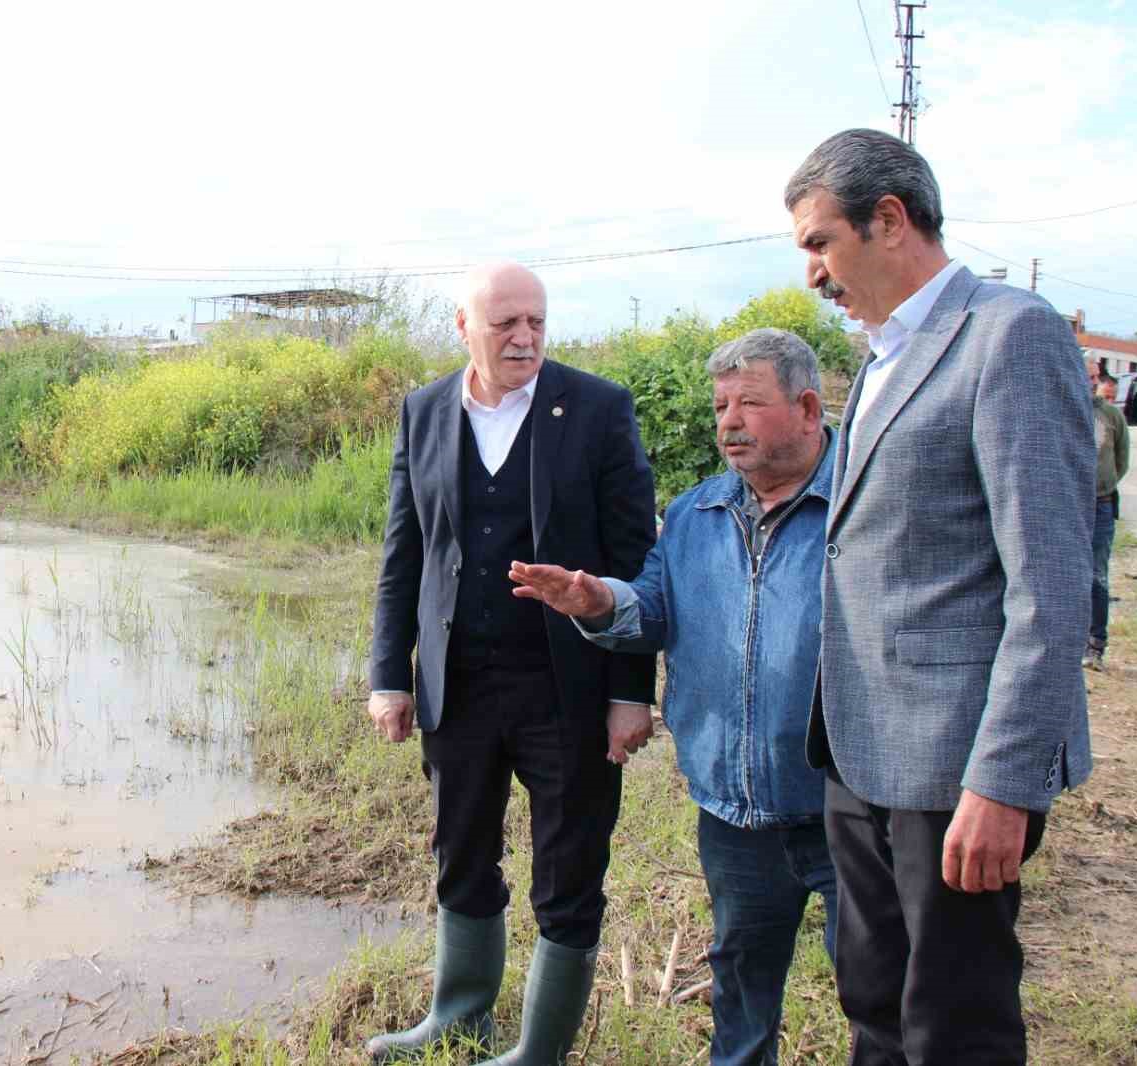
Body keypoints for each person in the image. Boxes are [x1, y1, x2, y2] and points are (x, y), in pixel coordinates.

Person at [785, 128, 1095, 1065]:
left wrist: (1003, 780)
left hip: (955, 765)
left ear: (889, 220)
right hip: (859, 748)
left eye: (818, 243)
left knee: (954, 1021)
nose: (812, 274)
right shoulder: (881, 355)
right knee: (872, 999)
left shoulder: (1009, 335)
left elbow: (1050, 586)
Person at [510, 328, 838, 1066]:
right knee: (742, 992)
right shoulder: (696, 514)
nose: (728, 422)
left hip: (850, 804)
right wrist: (596, 601)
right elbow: (652, 608)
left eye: (750, 403)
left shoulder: (867, 499)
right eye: (721, 404)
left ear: (809, 406)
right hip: (733, 807)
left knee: (879, 991)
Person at [366, 262, 658, 1066]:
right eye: (506, 324)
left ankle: (539, 1051)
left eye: (535, 321)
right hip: (458, 685)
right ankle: (458, 1018)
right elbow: (406, 554)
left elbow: (638, 559)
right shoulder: (424, 411)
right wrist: (390, 674)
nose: (525, 337)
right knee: (460, 850)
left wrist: (632, 691)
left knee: (568, 868)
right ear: (463, 327)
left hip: (568, 686)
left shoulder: (597, 409)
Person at [1085, 360, 1131, 670]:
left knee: (1096, 576)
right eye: (1083, 375)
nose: (1088, 382)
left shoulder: (1110, 416)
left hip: (1100, 505)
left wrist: (1103, 485)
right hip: (1065, 506)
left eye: (1092, 377)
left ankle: (1095, 646)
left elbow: (1121, 460)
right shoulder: (1057, 408)